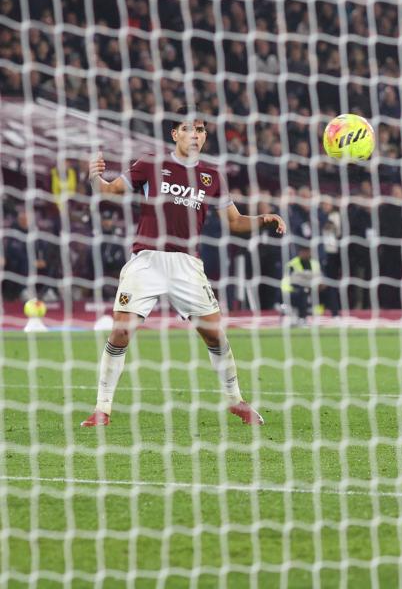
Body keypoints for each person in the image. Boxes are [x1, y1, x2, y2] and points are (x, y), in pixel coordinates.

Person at [80, 106, 286, 427]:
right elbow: (109, 191)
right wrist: (95, 177)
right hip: (147, 259)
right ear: (174, 133)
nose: (196, 135)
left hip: (187, 265)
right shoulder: (150, 164)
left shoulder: (212, 176)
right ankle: (101, 409)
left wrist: (262, 220)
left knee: (215, 335)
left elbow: (233, 222)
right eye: (189, 129)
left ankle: (236, 402)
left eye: (201, 130)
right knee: (121, 331)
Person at [280, 242, 322, 324]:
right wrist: (309, 278)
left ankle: (335, 316)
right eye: (304, 251)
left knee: (329, 289)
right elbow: (294, 280)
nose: (306, 253)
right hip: (292, 290)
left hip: (310, 288)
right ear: (299, 252)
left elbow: (318, 276)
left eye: (308, 251)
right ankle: (300, 317)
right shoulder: (292, 264)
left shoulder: (314, 263)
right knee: (302, 292)